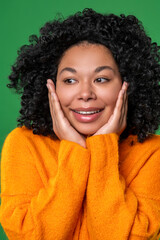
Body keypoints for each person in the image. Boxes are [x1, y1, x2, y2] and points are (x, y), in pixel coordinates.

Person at [1, 8, 160, 240]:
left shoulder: (152, 153)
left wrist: (103, 146)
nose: (85, 93)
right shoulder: (23, 144)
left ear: (127, 86)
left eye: (101, 79)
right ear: (52, 87)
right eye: (70, 80)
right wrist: (74, 150)